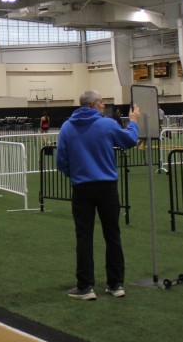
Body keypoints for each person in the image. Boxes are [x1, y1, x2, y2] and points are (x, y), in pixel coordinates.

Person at [57, 91, 140, 301]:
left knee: (84, 236)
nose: (104, 106)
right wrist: (133, 122)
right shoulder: (108, 125)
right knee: (112, 235)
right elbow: (130, 140)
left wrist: (74, 174)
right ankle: (116, 284)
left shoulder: (67, 127)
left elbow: (61, 160)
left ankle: (85, 286)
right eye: (102, 102)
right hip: (107, 187)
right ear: (94, 104)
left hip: (81, 187)